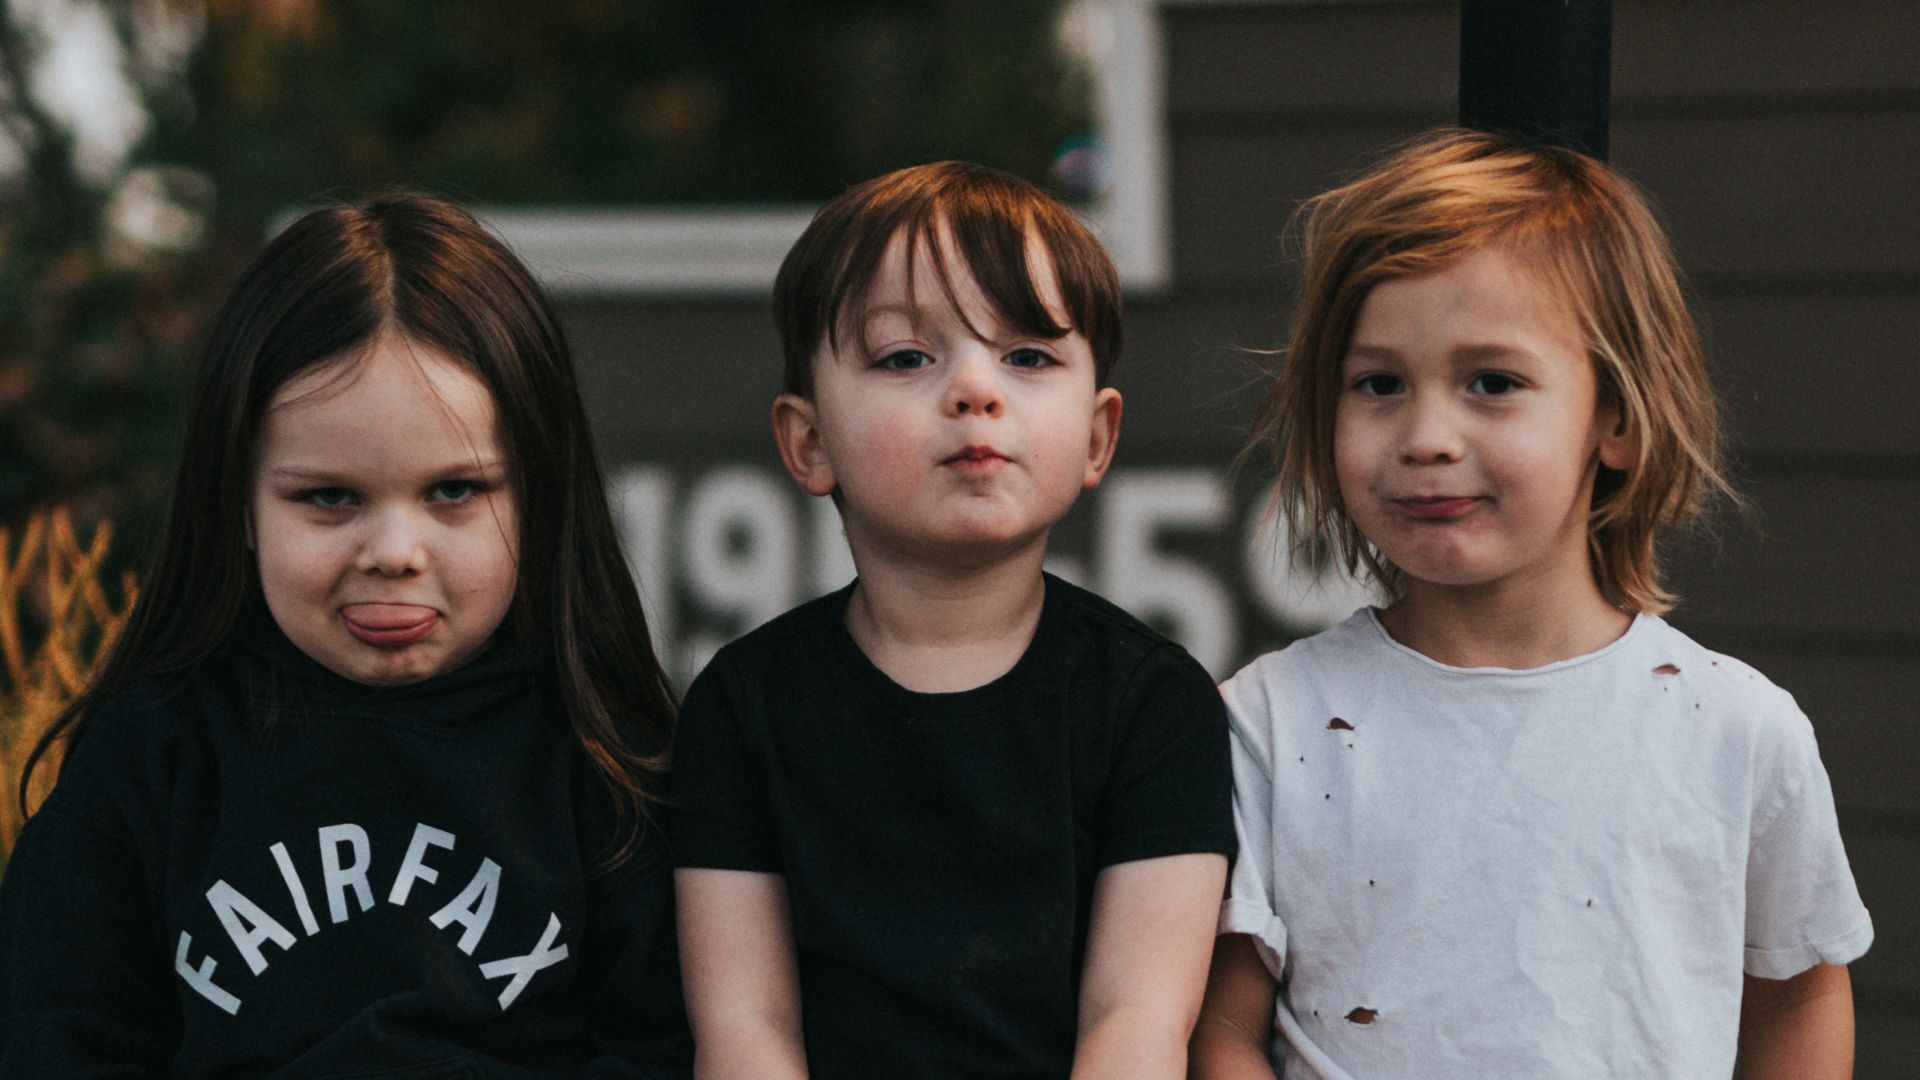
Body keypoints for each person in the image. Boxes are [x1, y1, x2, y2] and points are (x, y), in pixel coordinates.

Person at [1189, 128, 1872, 1079]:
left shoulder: (1737, 730)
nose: (1427, 434)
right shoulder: (1267, 722)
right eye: (1379, 383)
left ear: (1619, 419)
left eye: (1492, 383)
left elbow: (1798, 995)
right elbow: (1221, 1028)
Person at [0, 193, 692, 1076]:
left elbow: (665, 1048)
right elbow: (63, 1040)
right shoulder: (152, 755)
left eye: (455, 491)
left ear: (539, 494)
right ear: (239, 505)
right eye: (328, 497)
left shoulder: (610, 759)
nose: (395, 553)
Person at [670, 161, 1236, 1078]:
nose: (976, 390)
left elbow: (1135, 1024)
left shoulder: (1152, 705)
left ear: (1097, 437)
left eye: (1027, 357)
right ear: (809, 443)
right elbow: (746, 1032)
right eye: (906, 357)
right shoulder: (744, 707)